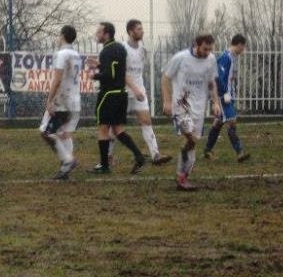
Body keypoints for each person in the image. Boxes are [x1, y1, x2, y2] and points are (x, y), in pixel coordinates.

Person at [161, 33, 222, 191]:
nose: (207, 52)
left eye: (210, 49)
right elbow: (165, 78)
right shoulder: (180, 58)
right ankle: (181, 176)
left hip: (199, 108)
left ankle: (182, 176)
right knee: (190, 138)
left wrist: (216, 102)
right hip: (181, 105)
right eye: (205, 49)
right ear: (196, 45)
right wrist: (167, 101)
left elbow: (211, 82)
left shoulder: (211, 60)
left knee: (192, 143)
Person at [86, 22, 147, 174]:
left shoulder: (106, 51)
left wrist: (94, 75)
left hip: (108, 94)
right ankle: (139, 156)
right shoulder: (119, 48)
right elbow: (117, 70)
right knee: (118, 130)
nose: (96, 34)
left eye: (99, 32)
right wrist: (99, 65)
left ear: (106, 34)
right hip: (121, 94)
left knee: (103, 129)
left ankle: (104, 165)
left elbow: (110, 75)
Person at [123, 19, 172, 165]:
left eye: (142, 28)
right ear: (130, 31)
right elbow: (122, 72)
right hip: (124, 92)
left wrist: (139, 89)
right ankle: (109, 157)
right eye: (139, 29)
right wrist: (133, 88)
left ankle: (156, 155)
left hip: (140, 92)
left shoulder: (143, 49)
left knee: (146, 121)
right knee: (116, 125)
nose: (142, 31)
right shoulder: (123, 48)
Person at [39, 25, 80, 180]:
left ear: (62, 36)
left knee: (46, 132)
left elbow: (57, 80)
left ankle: (68, 160)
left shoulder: (61, 54)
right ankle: (65, 169)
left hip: (62, 100)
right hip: (74, 99)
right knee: (63, 133)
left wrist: (50, 100)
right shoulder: (76, 54)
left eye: (58, 36)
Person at [204, 34, 251, 162]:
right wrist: (224, 93)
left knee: (218, 123)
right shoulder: (226, 57)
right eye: (243, 47)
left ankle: (207, 150)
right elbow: (218, 76)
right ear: (239, 45)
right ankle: (240, 152)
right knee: (232, 121)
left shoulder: (230, 57)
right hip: (222, 96)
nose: (243, 50)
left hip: (226, 95)